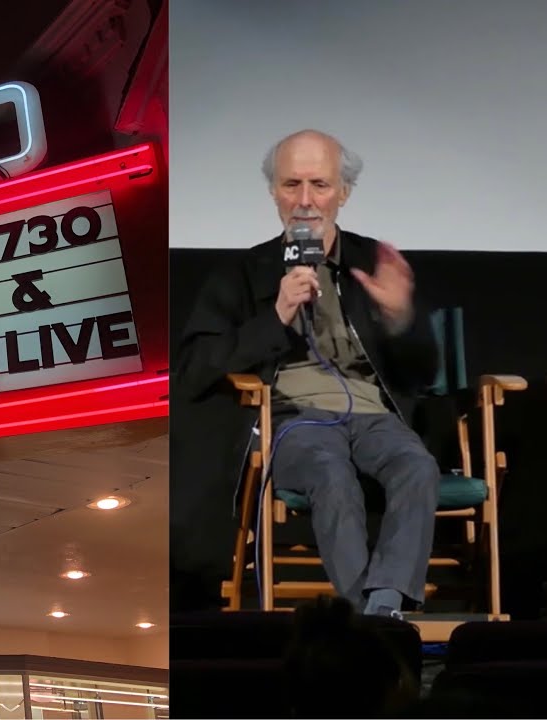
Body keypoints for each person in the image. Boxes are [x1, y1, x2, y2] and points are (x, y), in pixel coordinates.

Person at [170, 129, 440, 617]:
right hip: (294, 420)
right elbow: (194, 368)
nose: (306, 200)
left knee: (417, 466)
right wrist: (274, 315)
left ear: (343, 193)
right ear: (274, 192)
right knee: (331, 476)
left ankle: (382, 604)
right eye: (292, 184)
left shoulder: (373, 264)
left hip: (375, 416)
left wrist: (400, 319)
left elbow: (423, 372)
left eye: (320, 184)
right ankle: (368, 619)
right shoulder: (242, 273)